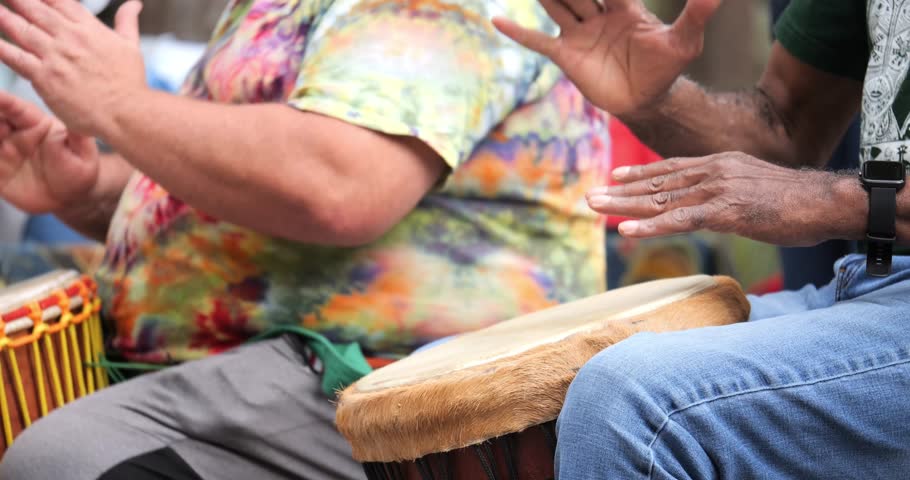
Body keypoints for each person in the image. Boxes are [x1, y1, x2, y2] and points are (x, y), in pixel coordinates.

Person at [0, 0, 608, 478]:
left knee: (67, 461)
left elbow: (340, 185)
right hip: (274, 374)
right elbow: (238, 200)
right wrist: (87, 190)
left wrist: (118, 106)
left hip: (396, 392)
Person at [494, 0, 910, 477]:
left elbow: (812, 184)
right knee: (548, 365)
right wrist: (655, 100)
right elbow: (785, 125)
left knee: (630, 406)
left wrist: (834, 199)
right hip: (870, 281)